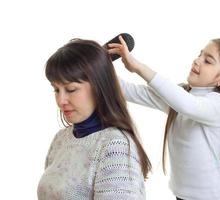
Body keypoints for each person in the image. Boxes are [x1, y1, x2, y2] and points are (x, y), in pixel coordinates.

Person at [108, 36, 220, 200]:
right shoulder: (180, 96)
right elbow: (130, 91)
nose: (197, 60)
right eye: (200, 54)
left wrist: (139, 68)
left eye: (208, 60)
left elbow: (187, 105)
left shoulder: (219, 105)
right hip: (182, 196)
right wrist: (99, 67)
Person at [37, 38, 151, 200]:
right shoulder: (61, 139)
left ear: (99, 87)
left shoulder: (115, 147)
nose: (61, 100)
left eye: (70, 89)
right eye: (56, 90)